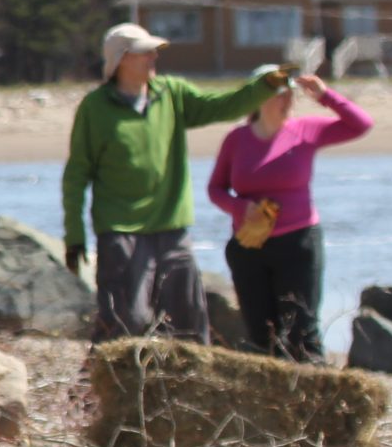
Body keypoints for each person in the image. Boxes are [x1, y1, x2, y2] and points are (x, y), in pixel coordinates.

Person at [63, 23, 288, 343]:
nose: (154, 56)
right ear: (122, 59)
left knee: (189, 320)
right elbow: (75, 175)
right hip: (121, 230)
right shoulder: (95, 108)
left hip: (172, 228)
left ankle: (188, 388)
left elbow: (224, 107)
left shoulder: (171, 93)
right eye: (145, 52)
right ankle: (100, 389)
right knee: (127, 320)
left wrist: (265, 86)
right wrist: (74, 236)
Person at [207, 72, 371, 363]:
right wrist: (239, 208)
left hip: (298, 244)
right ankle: (270, 401)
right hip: (250, 247)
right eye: (280, 94)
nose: (288, 99)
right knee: (261, 334)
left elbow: (361, 124)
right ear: (259, 99)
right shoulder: (237, 139)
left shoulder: (304, 130)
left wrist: (324, 95)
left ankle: (315, 399)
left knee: (301, 331)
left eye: (290, 94)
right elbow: (215, 189)